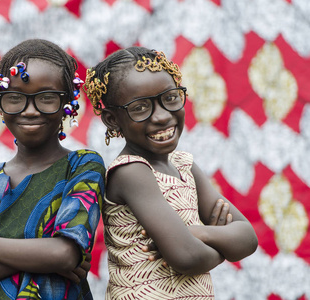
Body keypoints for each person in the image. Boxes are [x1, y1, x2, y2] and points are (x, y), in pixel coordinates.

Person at [83, 47, 258, 299]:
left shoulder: (184, 164)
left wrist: (198, 233)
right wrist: (223, 247)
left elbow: (247, 237)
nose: (163, 116)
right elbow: (186, 257)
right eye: (141, 107)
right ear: (112, 120)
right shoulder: (131, 172)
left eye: (170, 97)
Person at [0, 39, 105, 300]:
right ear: (0, 103)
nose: (30, 111)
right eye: (15, 98)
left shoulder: (81, 166)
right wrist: (46, 256)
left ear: (68, 102)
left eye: (47, 98)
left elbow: (64, 254)